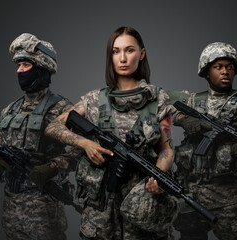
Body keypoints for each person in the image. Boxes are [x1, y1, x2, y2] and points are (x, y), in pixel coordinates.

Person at [45, 26, 178, 240]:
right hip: (102, 212)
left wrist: (158, 175)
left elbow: (167, 150)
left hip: (142, 204)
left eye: (130, 50)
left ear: (142, 54)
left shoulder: (159, 100)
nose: (123, 58)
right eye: (116, 51)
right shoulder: (94, 100)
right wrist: (85, 144)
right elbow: (53, 127)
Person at [171, 42, 237, 240]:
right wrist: (183, 119)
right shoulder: (192, 100)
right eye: (219, 67)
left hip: (228, 195)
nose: (225, 72)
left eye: (229, 67)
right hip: (191, 191)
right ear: (207, 72)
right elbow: (160, 102)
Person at [0, 33, 77, 240]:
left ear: (41, 67)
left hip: (43, 206)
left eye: (25, 65)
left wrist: (54, 167)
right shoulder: (10, 109)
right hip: (11, 203)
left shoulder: (62, 108)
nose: (19, 71)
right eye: (18, 65)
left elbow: (83, 149)